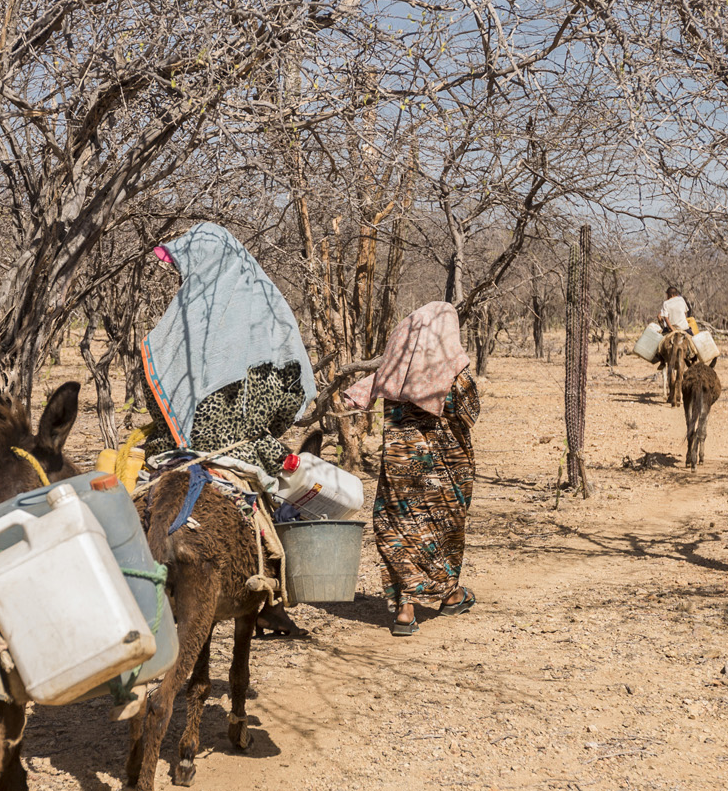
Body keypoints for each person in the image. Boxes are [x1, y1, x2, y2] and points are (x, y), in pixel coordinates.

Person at [342, 302, 479, 637]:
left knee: (398, 529)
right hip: (445, 475)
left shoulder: (393, 372)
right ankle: (450, 594)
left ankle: (405, 610)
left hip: (400, 473)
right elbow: (471, 413)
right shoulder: (456, 374)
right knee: (443, 530)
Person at [138, 223, 315, 474]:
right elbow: (291, 399)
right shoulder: (278, 324)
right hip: (249, 456)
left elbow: (156, 390)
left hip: (173, 452)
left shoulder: (180, 328)